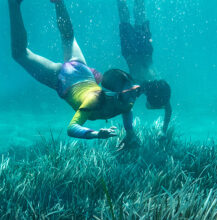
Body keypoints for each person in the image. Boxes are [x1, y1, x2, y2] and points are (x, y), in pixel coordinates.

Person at [8, 0, 140, 141]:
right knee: (20, 54)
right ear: (114, 94)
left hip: (83, 71)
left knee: (68, 37)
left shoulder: (126, 101)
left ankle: (58, 2)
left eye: (135, 92)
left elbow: (127, 109)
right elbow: (72, 128)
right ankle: (13, 4)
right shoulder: (93, 101)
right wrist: (96, 134)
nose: (133, 99)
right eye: (130, 94)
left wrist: (130, 133)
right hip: (63, 78)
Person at [115, 0, 172, 138]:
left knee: (140, 16)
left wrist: (164, 130)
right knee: (125, 19)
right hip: (130, 52)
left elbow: (168, 109)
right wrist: (130, 133)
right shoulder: (139, 86)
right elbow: (126, 109)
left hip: (146, 50)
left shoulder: (158, 84)